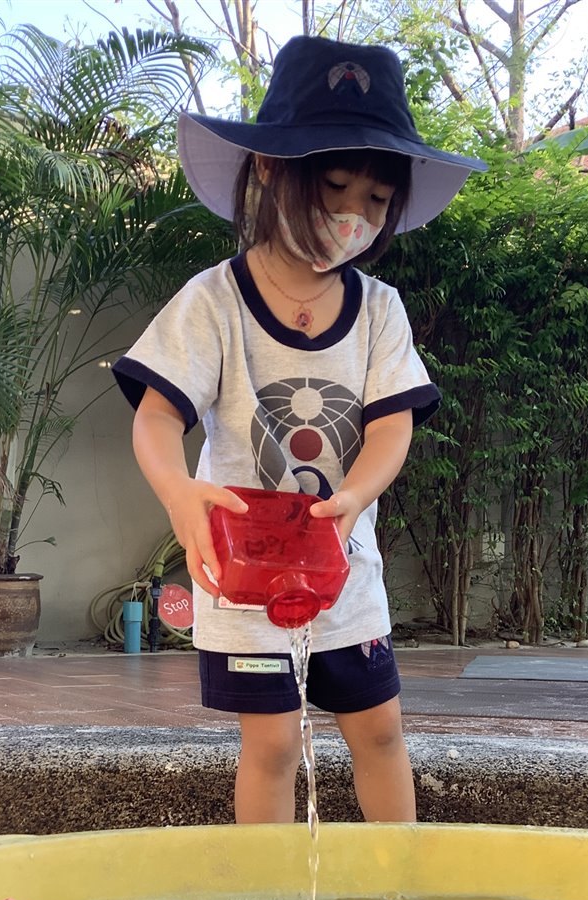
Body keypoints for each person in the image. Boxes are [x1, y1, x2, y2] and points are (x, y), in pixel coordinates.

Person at [113, 35, 484, 824]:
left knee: (380, 732)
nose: (354, 215)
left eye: (377, 199)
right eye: (335, 187)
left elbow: (391, 428)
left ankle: (397, 881)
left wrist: (354, 497)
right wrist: (179, 494)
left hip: (345, 573)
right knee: (274, 745)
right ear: (271, 170)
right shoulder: (213, 302)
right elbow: (157, 417)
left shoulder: (378, 310)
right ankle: (273, 891)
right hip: (241, 576)